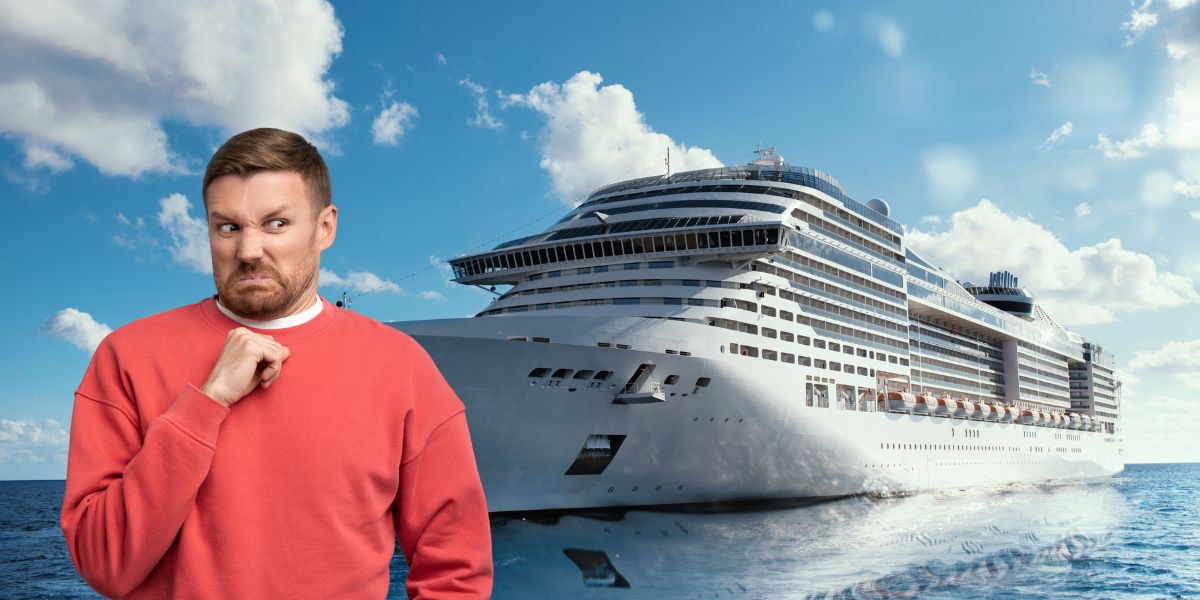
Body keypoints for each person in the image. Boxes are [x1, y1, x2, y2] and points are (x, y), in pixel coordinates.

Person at [60, 128, 493, 599]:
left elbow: (456, 570)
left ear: (324, 227)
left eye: (275, 224)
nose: (248, 251)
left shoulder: (402, 367)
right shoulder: (128, 355)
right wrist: (204, 405)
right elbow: (103, 566)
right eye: (228, 227)